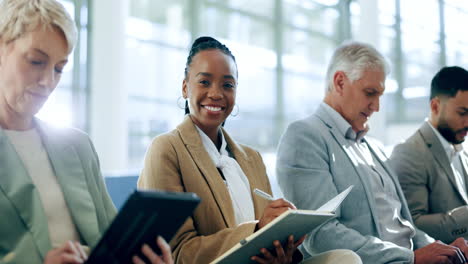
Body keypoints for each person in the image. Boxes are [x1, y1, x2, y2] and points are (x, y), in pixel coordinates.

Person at [138, 36, 361, 264]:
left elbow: (268, 236)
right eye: (204, 82)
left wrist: (282, 248)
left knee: (345, 258)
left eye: (227, 85)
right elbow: (177, 253)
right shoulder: (167, 149)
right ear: (185, 87)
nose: (216, 93)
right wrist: (256, 229)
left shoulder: (251, 158)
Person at [0, 1, 172, 263]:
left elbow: (114, 244)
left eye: (59, 68)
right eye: (36, 61)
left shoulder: (77, 146)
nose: (48, 82)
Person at [276, 41, 468, 264]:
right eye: (370, 93)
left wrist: (443, 250)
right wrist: (410, 258)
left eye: (380, 95)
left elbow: (406, 226)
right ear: (339, 82)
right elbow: (320, 235)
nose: (376, 106)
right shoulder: (305, 136)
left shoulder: (373, 147)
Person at [389, 66, 468, 244]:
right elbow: (411, 226)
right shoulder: (409, 152)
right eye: (462, 113)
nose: (467, 122)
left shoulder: (459, 149)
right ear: (435, 106)